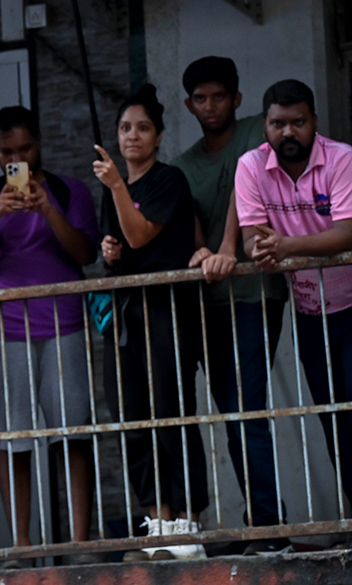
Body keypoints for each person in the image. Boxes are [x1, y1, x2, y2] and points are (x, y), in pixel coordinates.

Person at [171, 57, 290, 553]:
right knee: (230, 410)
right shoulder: (184, 164)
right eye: (200, 98)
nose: (210, 106)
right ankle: (262, 522)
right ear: (188, 105)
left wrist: (224, 251)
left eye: (219, 96)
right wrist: (202, 249)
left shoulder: (253, 142)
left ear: (237, 100)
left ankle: (269, 527)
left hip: (254, 294)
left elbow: (248, 197)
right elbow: (187, 216)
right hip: (210, 302)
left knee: (248, 409)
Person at [0, 106, 99, 564]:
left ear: (39, 144)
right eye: (8, 151)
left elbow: (85, 253)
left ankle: (81, 544)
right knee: (14, 438)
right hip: (4, 329)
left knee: (73, 433)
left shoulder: (69, 191)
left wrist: (48, 208)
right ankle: (22, 546)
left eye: (25, 148)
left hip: (63, 324)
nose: (17, 157)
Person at [93, 85, 207, 560]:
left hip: (167, 310)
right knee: (135, 418)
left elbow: (140, 236)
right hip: (127, 313)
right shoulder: (114, 187)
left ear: (158, 136)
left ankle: (189, 524)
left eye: (142, 128)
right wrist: (108, 253)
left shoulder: (167, 180)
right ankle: (158, 521)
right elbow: (120, 248)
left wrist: (118, 188)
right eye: (125, 128)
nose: (132, 136)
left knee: (172, 413)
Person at [234, 79, 352, 508]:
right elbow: (251, 238)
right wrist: (261, 249)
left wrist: (284, 245)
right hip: (309, 313)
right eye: (278, 124)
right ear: (264, 125)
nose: (288, 133)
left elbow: (347, 233)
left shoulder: (341, 160)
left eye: (298, 122)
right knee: (334, 422)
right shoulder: (251, 166)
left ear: (314, 122)